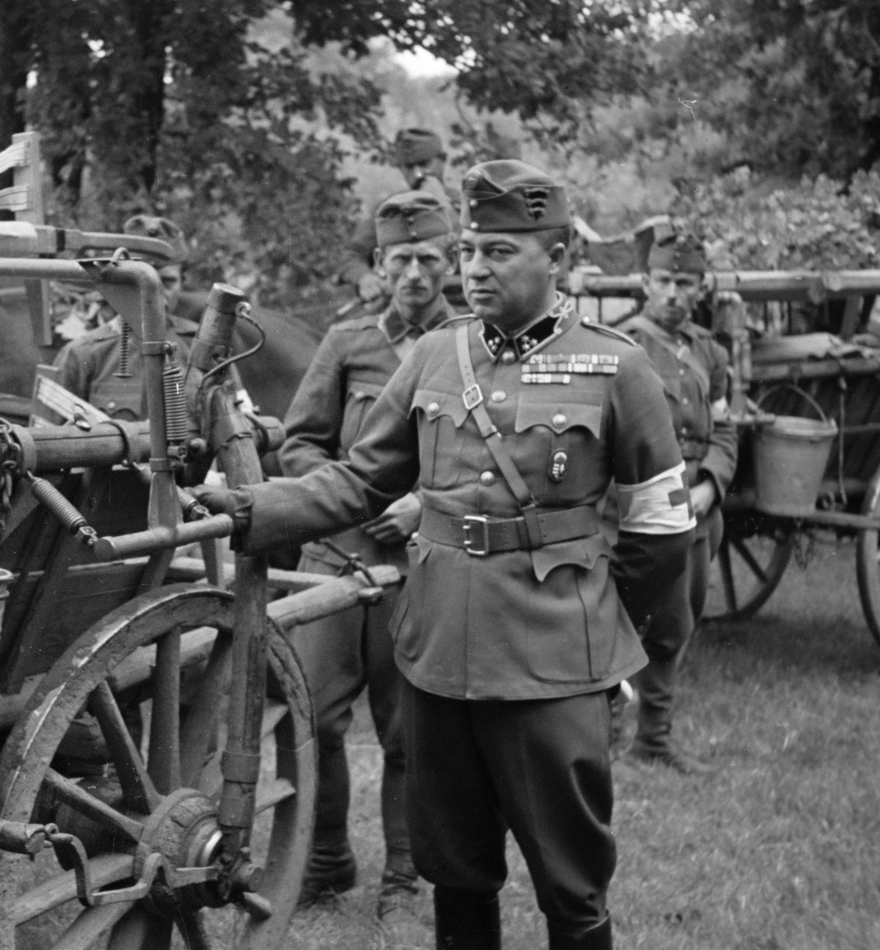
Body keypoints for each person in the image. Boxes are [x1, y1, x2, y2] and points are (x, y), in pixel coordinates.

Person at [196, 160, 695, 950]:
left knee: (572, 884)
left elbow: (660, 531)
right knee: (457, 871)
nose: (473, 268)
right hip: (437, 658)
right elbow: (360, 479)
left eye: (499, 251)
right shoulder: (437, 355)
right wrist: (253, 508)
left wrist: (608, 643)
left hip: (553, 659)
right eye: (470, 250)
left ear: (558, 257)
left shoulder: (616, 366)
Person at [281, 191, 466, 919]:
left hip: (422, 562)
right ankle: (326, 861)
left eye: (428, 258)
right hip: (334, 558)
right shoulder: (346, 342)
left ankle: (403, 877)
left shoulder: (470, 347)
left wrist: (425, 503)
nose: (415, 273)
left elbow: (487, 456)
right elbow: (299, 440)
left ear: (449, 262)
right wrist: (345, 497)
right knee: (315, 717)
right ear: (380, 266)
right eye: (401, 259)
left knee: (407, 728)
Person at [619, 219, 737, 774]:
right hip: (640, 509)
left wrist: (711, 485)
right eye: (664, 281)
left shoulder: (709, 354)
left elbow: (726, 428)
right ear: (645, 282)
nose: (673, 294)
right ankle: (604, 731)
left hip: (697, 510)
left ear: (701, 289)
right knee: (628, 619)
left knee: (679, 623)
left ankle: (654, 739)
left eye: (685, 284)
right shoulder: (622, 347)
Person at [53, 215, 195, 420]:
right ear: (121, 281)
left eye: (168, 281)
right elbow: (50, 441)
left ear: (183, 282)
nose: (155, 293)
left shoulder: (202, 348)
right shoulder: (82, 356)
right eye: (142, 281)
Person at [339, 128, 465, 306]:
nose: (417, 174)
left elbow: (474, 255)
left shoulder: (468, 205)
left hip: (461, 307)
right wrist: (364, 277)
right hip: (405, 309)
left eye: (424, 164)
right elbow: (351, 255)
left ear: (442, 160)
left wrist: (443, 207)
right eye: (409, 167)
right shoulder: (389, 209)